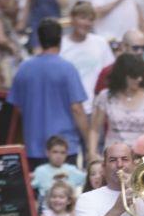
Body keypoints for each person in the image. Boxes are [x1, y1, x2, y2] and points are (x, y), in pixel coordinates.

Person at [7, 18, 90, 169]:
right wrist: (89, 143)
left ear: (39, 39)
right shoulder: (67, 69)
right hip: (64, 148)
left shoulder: (24, 68)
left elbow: (17, 108)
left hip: (33, 147)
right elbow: (77, 109)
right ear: (60, 40)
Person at [88, 53, 144, 156]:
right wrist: (92, 153)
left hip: (141, 155)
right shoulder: (106, 96)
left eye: (141, 75)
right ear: (122, 75)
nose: (139, 79)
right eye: (134, 76)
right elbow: (95, 129)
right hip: (113, 155)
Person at [60, 1, 116, 110]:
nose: (86, 23)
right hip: (68, 108)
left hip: (95, 108)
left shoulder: (100, 43)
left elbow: (109, 73)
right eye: (82, 18)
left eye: (90, 19)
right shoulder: (61, 45)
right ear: (72, 19)